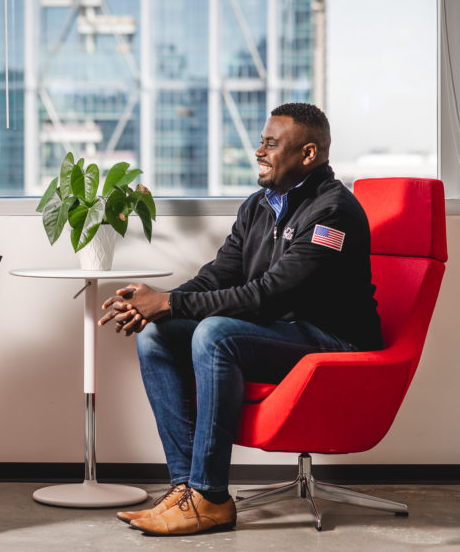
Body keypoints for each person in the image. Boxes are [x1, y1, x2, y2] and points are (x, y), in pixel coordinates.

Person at [98, 102, 382, 535]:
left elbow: (267, 296)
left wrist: (169, 304)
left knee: (215, 334)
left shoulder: (332, 213)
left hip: (333, 340)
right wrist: (158, 303)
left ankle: (210, 497)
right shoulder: (259, 205)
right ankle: (186, 489)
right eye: (262, 141)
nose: (259, 151)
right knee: (156, 335)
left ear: (308, 154)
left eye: (272, 143)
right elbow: (219, 275)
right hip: (282, 333)